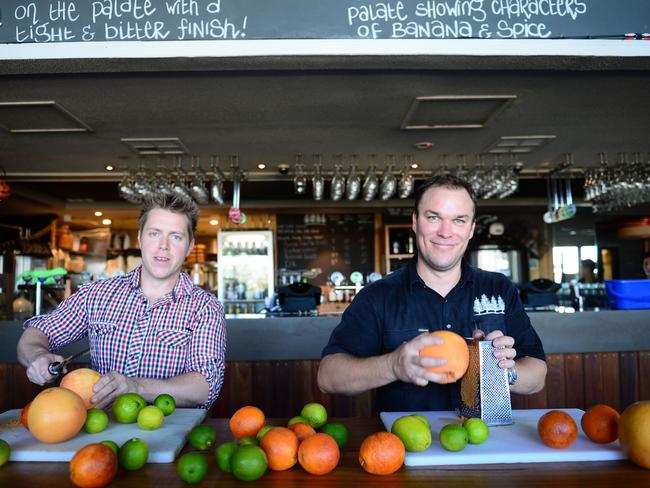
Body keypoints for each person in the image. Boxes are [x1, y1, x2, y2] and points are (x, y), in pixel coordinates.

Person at [317, 174, 547, 412]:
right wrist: (392, 365)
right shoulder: (378, 296)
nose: (445, 232)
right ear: (415, 222)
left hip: (486, 443)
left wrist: (503, 372)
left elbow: (537, 376)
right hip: (405, 445)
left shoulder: (498, 288)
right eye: (434, 217)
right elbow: (328, 377)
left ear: (471, 229)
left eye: (459, 220)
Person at [16, 193, 226, 409]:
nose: (163, 246)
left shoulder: (205, 308)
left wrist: (136, 387)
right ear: (140, 238)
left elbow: (206, 386)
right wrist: (38, 357)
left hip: (175, 434)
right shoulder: (97, 295)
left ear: (190, 246)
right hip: (101, 432)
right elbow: (37, 333)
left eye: (176, 237)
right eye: (155, 233)